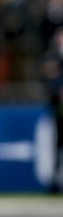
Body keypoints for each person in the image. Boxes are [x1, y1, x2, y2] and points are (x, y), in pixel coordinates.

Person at [44, 27, 63, 194]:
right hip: (59, 108)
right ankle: (55, 182)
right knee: (57, 145)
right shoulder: (53, 56)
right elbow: (51, 78)